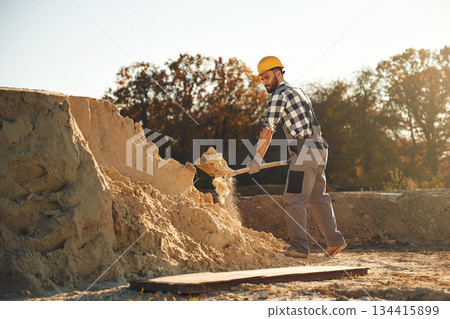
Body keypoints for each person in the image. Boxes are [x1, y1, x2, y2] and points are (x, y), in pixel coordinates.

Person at [246, 56, 347, 259]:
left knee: (293, 199)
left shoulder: (278, 96)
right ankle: (334, 241)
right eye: (261, 78)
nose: (265, 82)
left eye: (267, 76)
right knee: (319, 197)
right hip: (319, 149)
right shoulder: (297, 91)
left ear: (278, 72)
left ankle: (299, 248)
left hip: (305, 151)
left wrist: (257, 158)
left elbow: (268, 130)